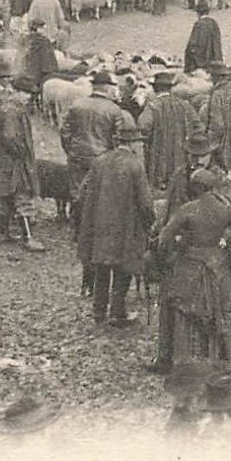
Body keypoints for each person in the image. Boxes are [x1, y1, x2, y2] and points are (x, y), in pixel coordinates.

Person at [156, 168, 231, 365]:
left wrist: (179, 246)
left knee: (182, 310)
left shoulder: (187, 209)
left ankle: (179, 359)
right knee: (222, 311)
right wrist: (228, 243)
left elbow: (164, 239)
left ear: (195, 187)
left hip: (189, 266)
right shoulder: (224, 209)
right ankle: (223, 360)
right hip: (217, 266)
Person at [76, 123, 155, 327]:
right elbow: (145, 202)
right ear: (134, 143)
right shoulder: (135, 165)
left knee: (102, 269)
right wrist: (150, 224)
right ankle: (117, 313)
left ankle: (99, 312)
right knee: (123, 270)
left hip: (99, 225)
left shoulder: (99, 161)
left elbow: (83, 193)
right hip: (125, 227)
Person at [0, 72, 45, 251]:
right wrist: (22, 152)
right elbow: (9, 136)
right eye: (27, 94)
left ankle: (6, 232)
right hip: (13, 163)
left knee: (7, 197)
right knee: (22, 196)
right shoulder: (12, 110)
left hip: (1, 161)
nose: (29, 99)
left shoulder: (2, 104)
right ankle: (28, 238)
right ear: (18, 92)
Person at [140, 71, 199, 189]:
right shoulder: (184, 105)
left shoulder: (153, 106)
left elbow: (143, 127)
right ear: (170, 88)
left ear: (155, 89)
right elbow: (197, 125)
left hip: (158, 156)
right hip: (181, 155)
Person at [182, 2, 224, 74]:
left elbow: (193, 45)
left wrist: (187, 66)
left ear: (198, 13)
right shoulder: (214, 23)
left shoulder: (199, 25)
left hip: (201, 63)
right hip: (214, 62)